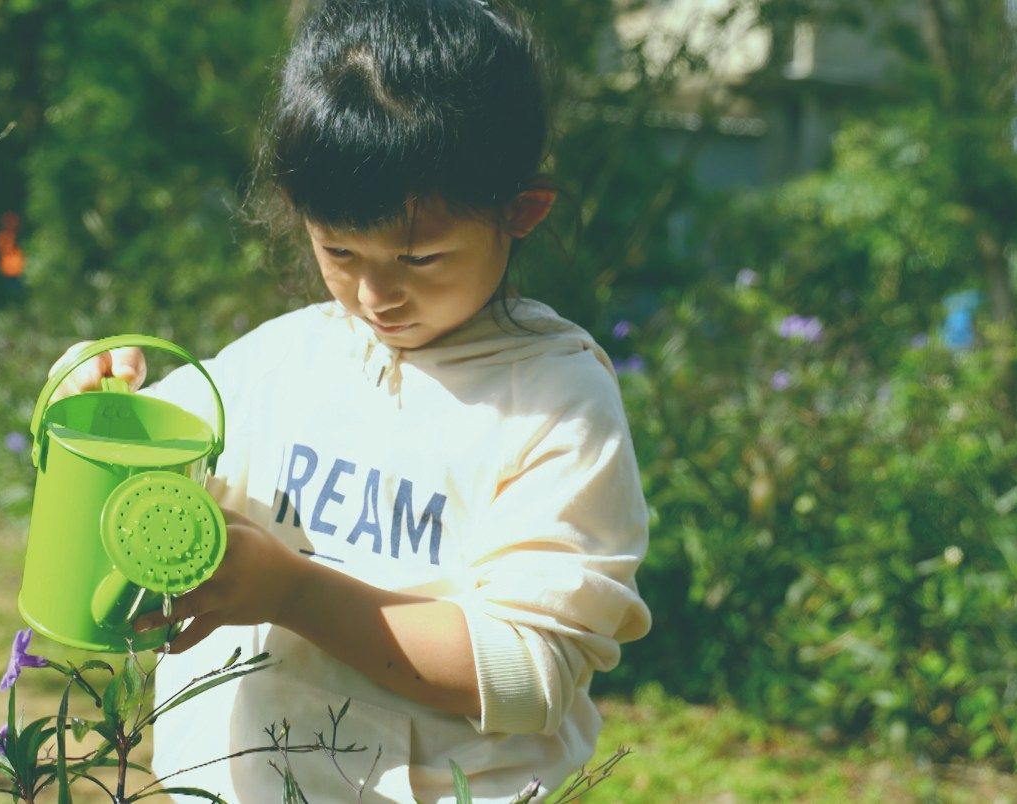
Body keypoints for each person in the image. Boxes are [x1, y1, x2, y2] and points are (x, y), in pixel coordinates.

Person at [45, 1, 652, 800]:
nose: (375, 295)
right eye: (337, 250)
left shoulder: (553, 403)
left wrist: (291, 589)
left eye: (421, 257)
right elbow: (141, 477)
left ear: (521, 212)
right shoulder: (284, 359)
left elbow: (527, 673)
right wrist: (94, 395)